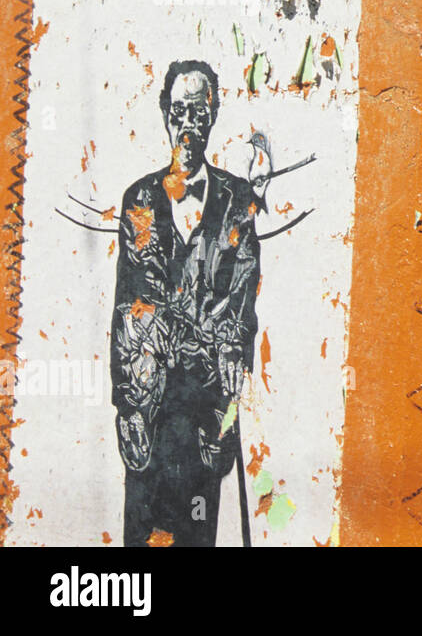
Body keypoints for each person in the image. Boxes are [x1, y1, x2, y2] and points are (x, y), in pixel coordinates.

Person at [110, 59, 260, 547]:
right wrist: (127, 405)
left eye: (198, 111)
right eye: (179, 111)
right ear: (165, 114)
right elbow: (128, 307)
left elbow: (242, 294)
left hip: (204, 407)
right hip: (149, 402)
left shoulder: (237, 200)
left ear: (213, 115)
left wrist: (233, 348)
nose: (188, 125)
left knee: (196, 532)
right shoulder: (139, 200)